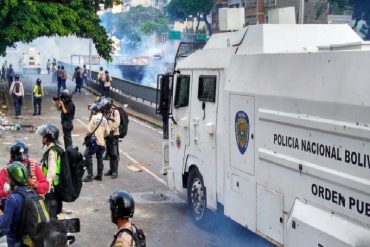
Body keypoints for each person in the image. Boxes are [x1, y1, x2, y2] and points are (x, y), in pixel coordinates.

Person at [36, 124, 64, 219]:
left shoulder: (53, 152)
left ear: (49, 137)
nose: (42, 138)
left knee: (50, 216)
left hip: (52, 191)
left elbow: (51, 173)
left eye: (44, 136)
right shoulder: (56, 149)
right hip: (56, 189)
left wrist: (45, 190)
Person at [0, 162, 30, 246]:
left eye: (8, 177)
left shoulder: (13, 199)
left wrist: (1, 215)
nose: (7, 179)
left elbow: (4, 228)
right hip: (29, 240)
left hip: (16, 242)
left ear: (13, 180)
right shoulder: (32, 193)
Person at [83, 102, 110, 182]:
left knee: (87, 155)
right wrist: (101, 135)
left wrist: (90, 136)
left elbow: (89, 130)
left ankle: (90, 175)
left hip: (94, 142)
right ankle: (99, 175)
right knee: (99, 158)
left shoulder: (94, 117)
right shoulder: (104, 119)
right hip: (101, 143)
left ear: (96, 110)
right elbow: (107, 132)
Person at [102, 98, 120, 179]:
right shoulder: (106, 111)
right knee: (109, 153)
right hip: (108, 136)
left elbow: (117, 123)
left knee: (114, 154)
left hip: (114, 135)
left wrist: (110, 129)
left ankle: (115, 171)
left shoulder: (115, 111)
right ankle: (111, 169)